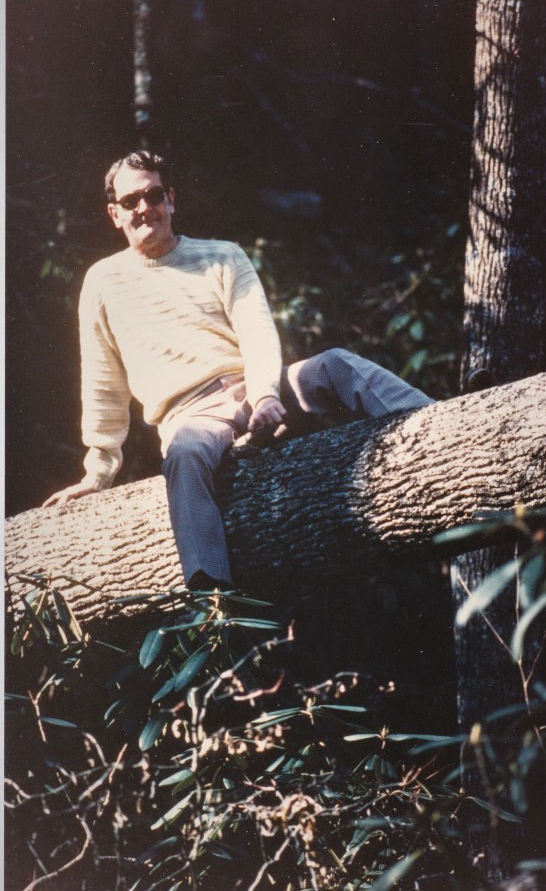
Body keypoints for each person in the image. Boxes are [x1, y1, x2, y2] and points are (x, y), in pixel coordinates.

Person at [43, 150, 434, 591]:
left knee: (337, 365)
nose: (143, 208)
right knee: (185, 455)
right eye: (130, 201)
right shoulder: (102, 281)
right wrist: (97, 473)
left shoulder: (223, 257)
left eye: (152, 195)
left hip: (253, 385)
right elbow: (102, 385)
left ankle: (441, 428)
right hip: (190, 416)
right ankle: (213, 602)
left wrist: (265, 393)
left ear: (170, 199)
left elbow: (258, 332)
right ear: (114, 214)